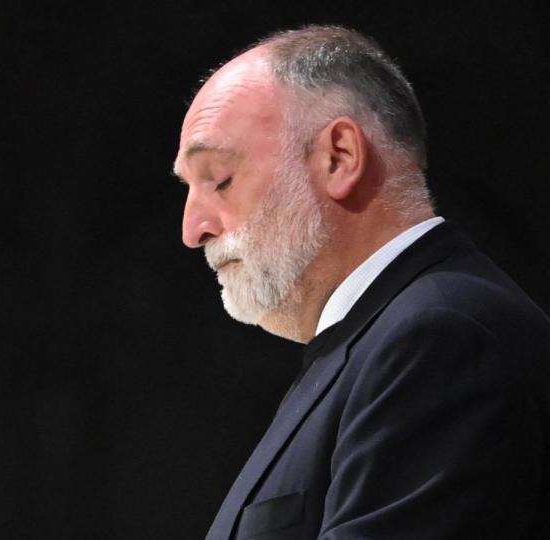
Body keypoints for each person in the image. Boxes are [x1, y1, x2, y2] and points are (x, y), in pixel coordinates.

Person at [173, 25, 550, 539]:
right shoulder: (383, 338)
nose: (193, 230)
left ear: (339, 157)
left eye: (220, 179)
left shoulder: (439, 340)